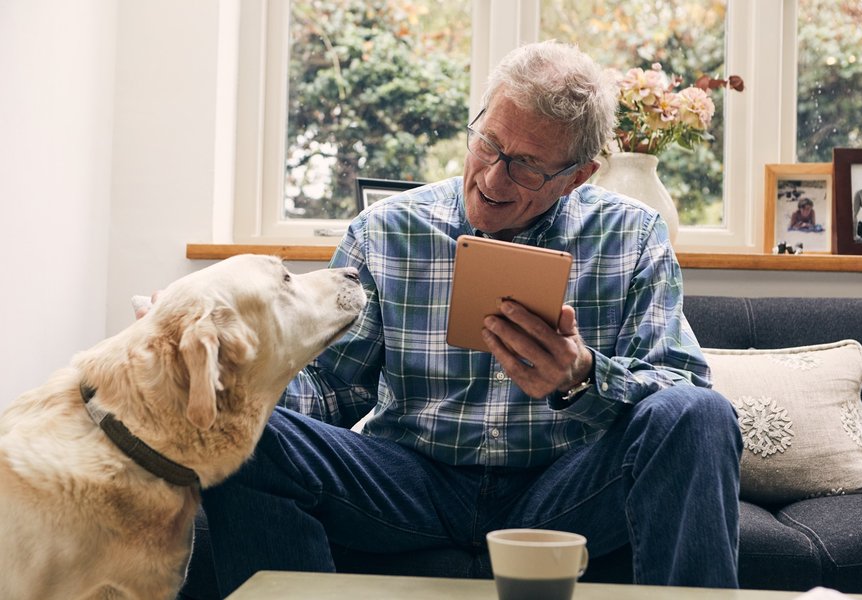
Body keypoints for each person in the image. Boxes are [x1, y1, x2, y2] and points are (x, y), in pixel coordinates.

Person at [197, 40, 742, 596]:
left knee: (700, 413)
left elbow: (681, 386)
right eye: (489, 144)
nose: (493, 179)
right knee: (247, 431)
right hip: (409, 482)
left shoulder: (633, 235)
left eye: (527, 166)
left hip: (561, 489)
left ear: (578, 177)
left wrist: (582, 378)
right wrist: (227, 378)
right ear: (476, 123)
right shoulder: (386, 230)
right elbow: (332, 392)